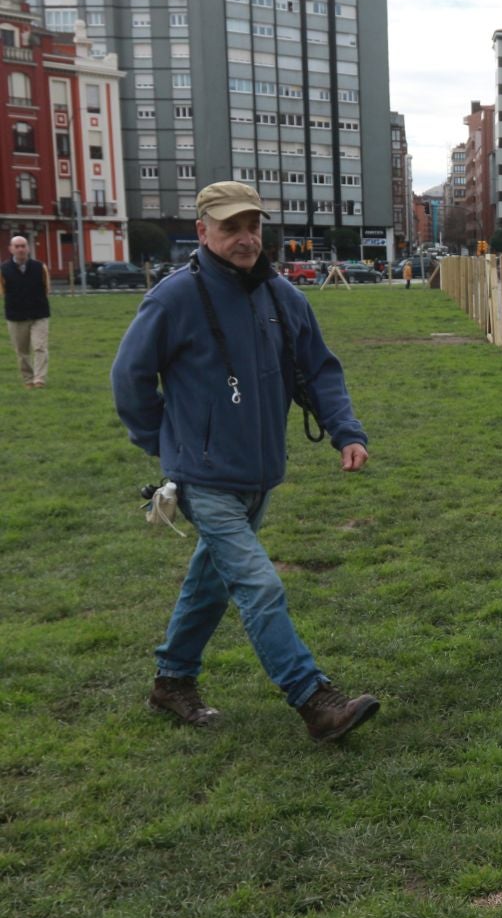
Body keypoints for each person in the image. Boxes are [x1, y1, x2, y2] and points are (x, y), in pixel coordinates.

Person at [110, 181, 381, 742]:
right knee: (259, 585)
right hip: (204, 476)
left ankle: (172, 680)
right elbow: (129, 378)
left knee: (211, 583)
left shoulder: (283, 296)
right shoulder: (174, 297)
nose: (245, 238)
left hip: (259, 474)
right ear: (203, 231)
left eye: (252, 226)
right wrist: (164, 444)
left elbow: (321, 371)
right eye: (231, 227)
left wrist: (345, 432)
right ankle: (313, 698)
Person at [3, 234, 51, 389]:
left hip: (39, 314)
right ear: (11, 249)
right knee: (22, 351)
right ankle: (28, 379)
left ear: (28, 248)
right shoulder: (3, 270)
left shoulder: (40, 267)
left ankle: (39, 379)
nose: (20, 249)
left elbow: (46, 288)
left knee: (39, 347)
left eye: (23, 246)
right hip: (16, 316)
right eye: (17, 246)